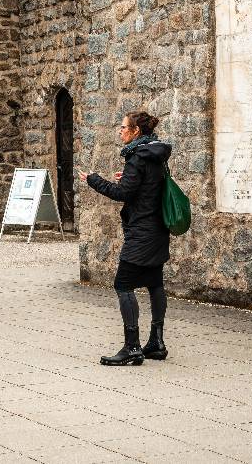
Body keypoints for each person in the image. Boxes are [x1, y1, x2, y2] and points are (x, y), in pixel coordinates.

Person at [79, 111, 172, 366]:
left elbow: (121, 194)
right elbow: (149, 187)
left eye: (123, 127)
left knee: (123, 284)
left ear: (135, 132)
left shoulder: (136, 157)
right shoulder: (156, 153)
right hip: (157, 228)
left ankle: (132, 347)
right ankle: (157, 342)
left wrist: (94, 180)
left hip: (141, 231)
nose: (120, 131)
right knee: (154, 283)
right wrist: (130, 180)